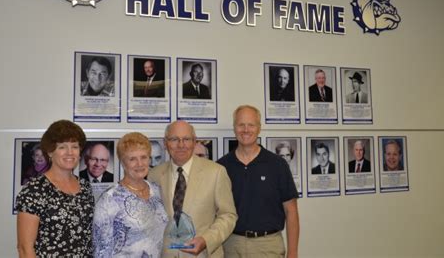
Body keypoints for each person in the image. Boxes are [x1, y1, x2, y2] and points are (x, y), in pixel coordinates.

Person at [218, 105, 299, 258]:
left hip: (268, 246)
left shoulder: (277, 164)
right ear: (234, 128)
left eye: (251, 125)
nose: (246, 130)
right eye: (241, 125)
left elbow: (291, 211)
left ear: (259, 128)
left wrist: (293, 253)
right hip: (231, 245)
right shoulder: (222, 166)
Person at [148, 120, 237, 257]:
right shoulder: (154, 175)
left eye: (186, 139)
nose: (181, 145)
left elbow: (228, 215)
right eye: (174, 139)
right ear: (165, 143)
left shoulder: (216, 172)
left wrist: (206, 240)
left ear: (194, 141)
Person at [16, 120, 94, 257]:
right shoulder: (34, 190)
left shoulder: (85, 187)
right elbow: (24, 248)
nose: (70, 153)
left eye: (75, 147)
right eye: (62, 147)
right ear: (50, 152)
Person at [93, 132, 168, 257]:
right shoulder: (109, 200)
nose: (139, 164)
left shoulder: (158, 191)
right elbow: (100, 252)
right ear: (122, 162)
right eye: (132, 159)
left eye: (143, 157)